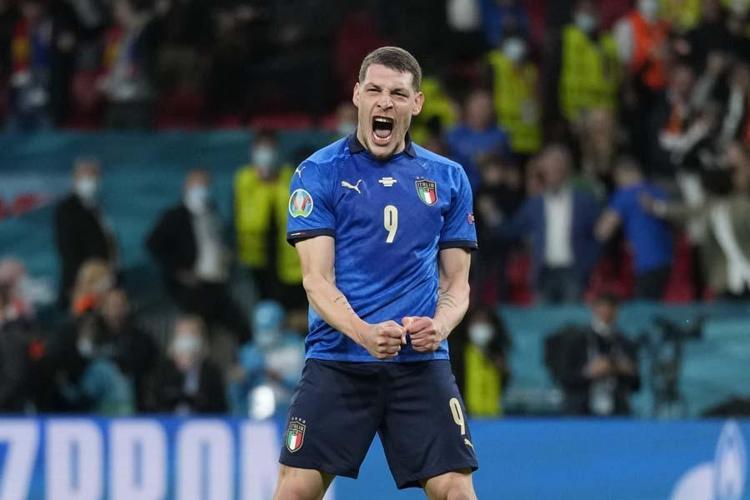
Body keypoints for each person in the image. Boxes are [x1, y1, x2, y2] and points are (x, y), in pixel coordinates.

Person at [275, 46, 478, 499]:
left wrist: (440, 326)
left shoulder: (448, 178)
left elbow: (456, 284)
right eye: (375, 90)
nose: (385, 102)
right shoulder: (318, 172)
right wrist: (364, 334)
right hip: (339, 359)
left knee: (456, 491)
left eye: (398, 94)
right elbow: (316, 281)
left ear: (417, 103)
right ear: (357, 96)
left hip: (419, 363)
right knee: (294, 491)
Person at [146, 168, 251, 344]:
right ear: (186, 187)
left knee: (240, 327)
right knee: (198, 331)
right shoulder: (175, 216)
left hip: (217, 283)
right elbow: (153, 244)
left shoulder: (212, 212)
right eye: (197, 185)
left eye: (205, 185)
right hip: (194, 287)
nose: (202, 190)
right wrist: (179, 271)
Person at [501, 144, 601, 303]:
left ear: (566, 169)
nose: (553, 173)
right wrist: (490, 215)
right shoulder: (535, 203)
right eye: (548, 169)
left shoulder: (583, 201)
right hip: (543, 272)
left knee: (572, 315)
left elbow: (598, 234)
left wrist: (589, 262)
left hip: (574, 272)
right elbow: (513, 229)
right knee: (542, 315)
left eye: (557, 167)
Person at [234, 130, 305, 309]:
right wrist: (264, 180)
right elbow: (246, 216)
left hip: (287, 255)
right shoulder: (244, 178)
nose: (266, 154)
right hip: (256, 256)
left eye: (270, 148)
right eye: (261, 148)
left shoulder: (289, 176)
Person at [544, 292, 640, 416]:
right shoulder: (576, 340)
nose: (607, 311)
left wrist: (622, 370)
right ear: (594, 309)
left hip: (617, 411)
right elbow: (563, 377)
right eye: (603, 306)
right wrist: (588, 373)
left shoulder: (626, 342)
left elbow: (637, 385)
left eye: (611, 307)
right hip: (580, 411)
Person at [596, 157, 674, 299]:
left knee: (645, 306)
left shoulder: (625, 195)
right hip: (667, 260)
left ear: (624, 174)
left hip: (647, 263)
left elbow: (603, 232)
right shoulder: (659, 192)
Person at [53, 157, 117, 309]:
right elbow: (67, 249)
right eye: (85, 176)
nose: (90, 180)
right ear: (75, 178)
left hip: (104, 280)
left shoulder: (95, 207)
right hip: (84, 284)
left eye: (93, 175)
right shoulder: (66, 209)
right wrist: (84, 282)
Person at [152, 315, 227, 415]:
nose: (185, 341)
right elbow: (158, 401)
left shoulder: (212, 371)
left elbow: (218, 406)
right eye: (181, 335)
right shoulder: (164, 369)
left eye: (191, 334)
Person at [449, 305, 511, 418]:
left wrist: (504, 371)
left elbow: (505, 386)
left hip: (494, 417)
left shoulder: (497, 355)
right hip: (465, 416)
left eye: (484, 322)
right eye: (476, 321)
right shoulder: (457, 354)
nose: (480, 326)